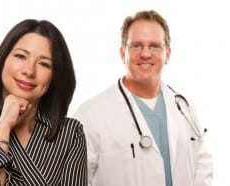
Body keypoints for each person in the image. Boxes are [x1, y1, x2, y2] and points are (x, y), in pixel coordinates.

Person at [73, 10, 213, 186]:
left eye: (154, 46)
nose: (146, 54)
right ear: (122, 53)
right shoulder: (90, 115)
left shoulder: (184, 107)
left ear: (167, 54)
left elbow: (203, 165)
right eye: (136, 45)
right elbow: (75, 179)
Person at [0, 19, 87, 186]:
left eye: (44, 64)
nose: (29, 71)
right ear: (3, 60)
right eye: (20, 56)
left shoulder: (70, 133)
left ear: (54, 76)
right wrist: (4, 125)